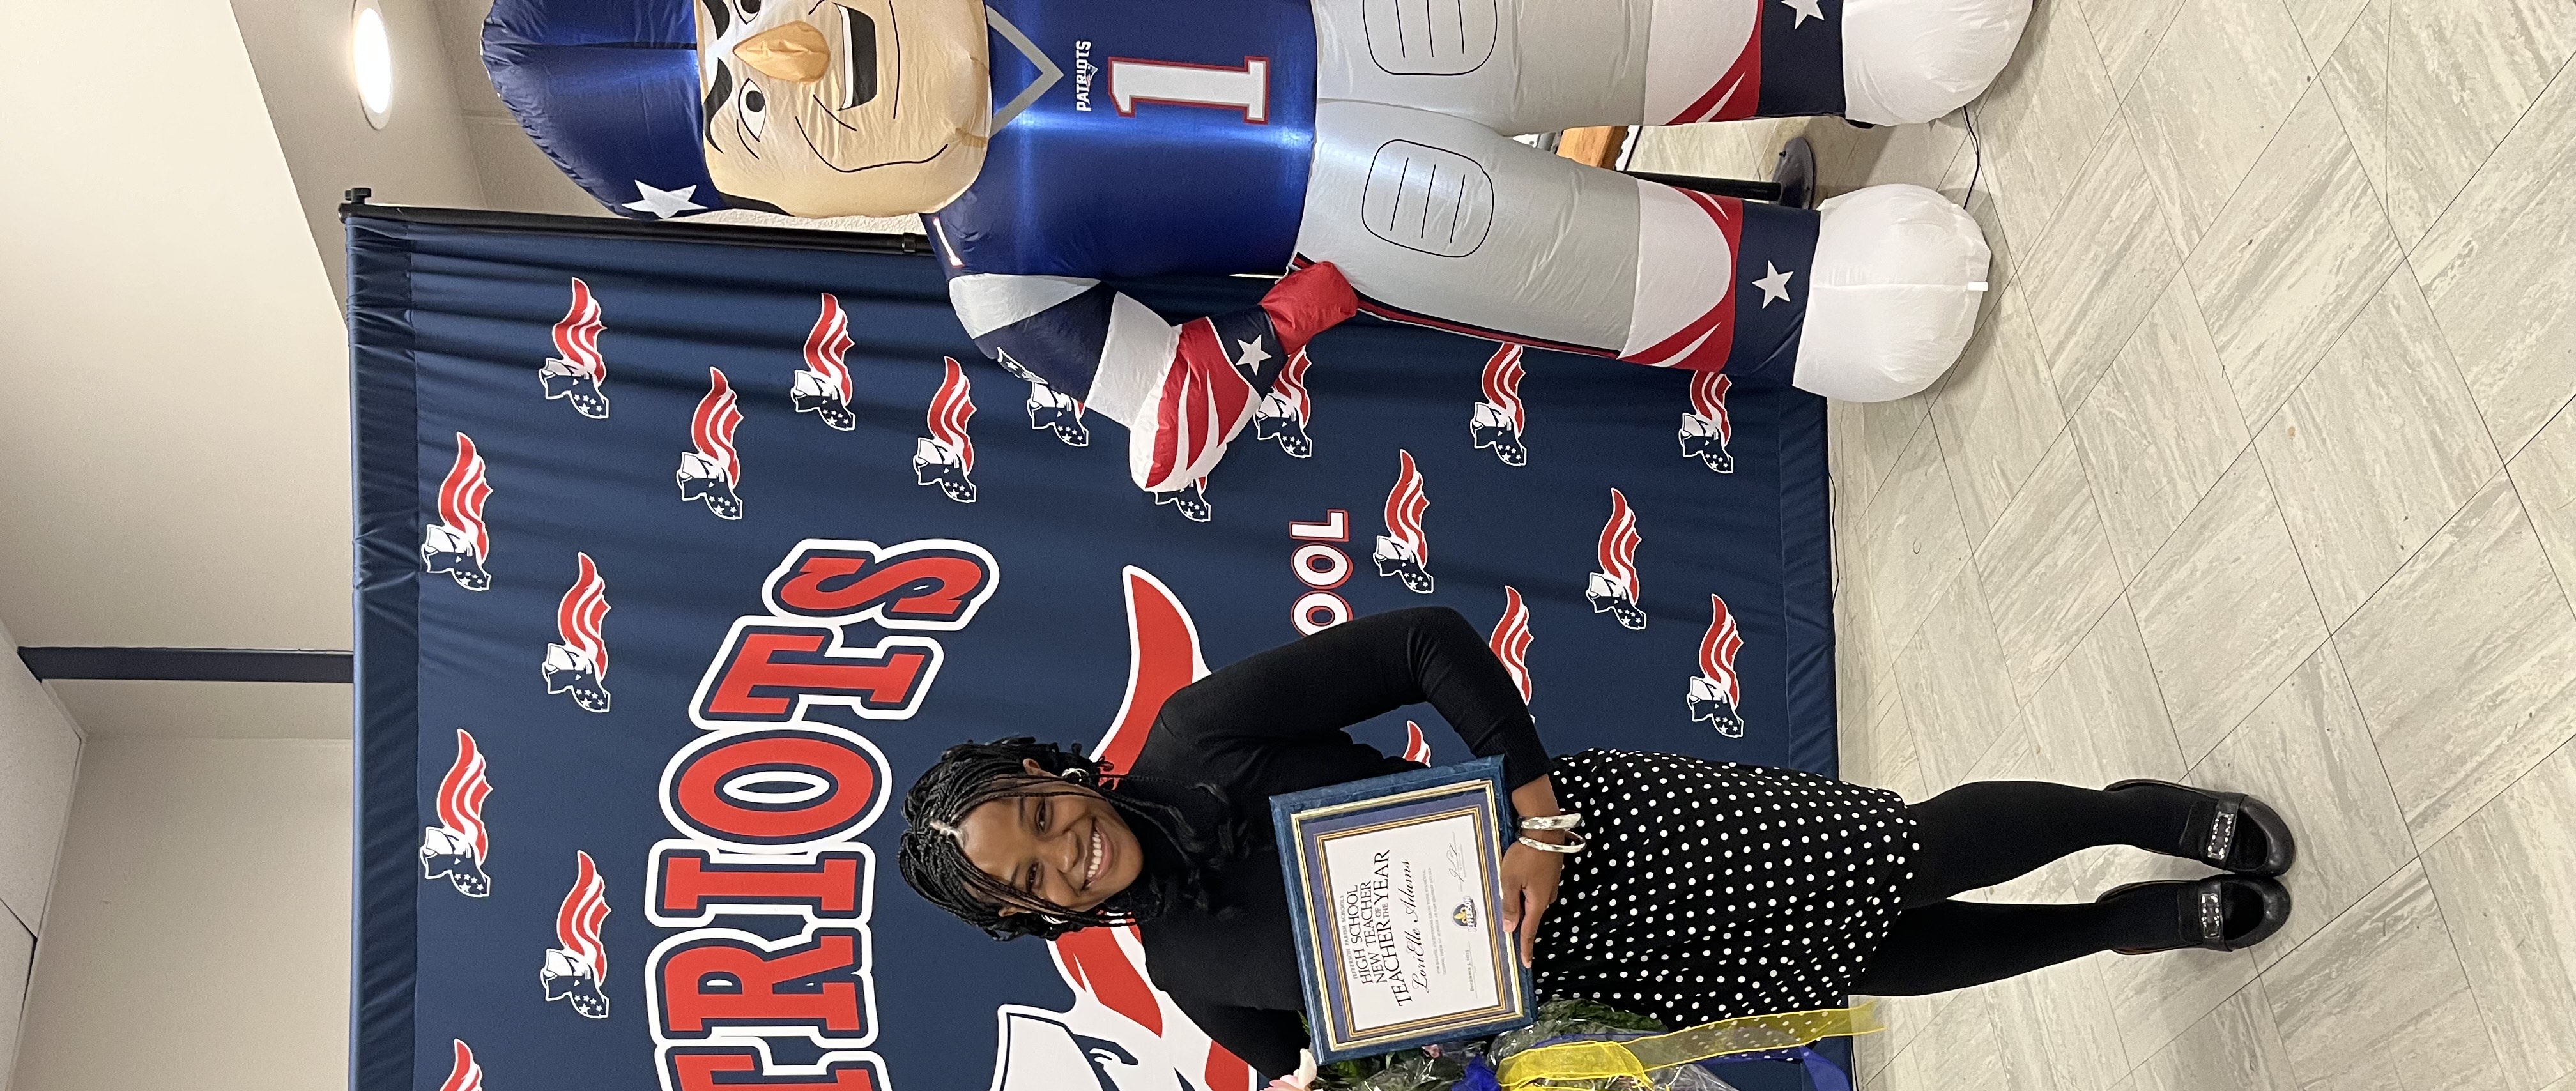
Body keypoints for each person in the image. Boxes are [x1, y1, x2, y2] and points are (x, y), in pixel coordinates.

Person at [482, 0, 2021, 498]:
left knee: (1636, 18)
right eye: (738, 101)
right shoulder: (993, 268)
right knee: (1605, 266)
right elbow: (1173, 426)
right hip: (1355, 214)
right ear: (752, 198)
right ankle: (1803, 298)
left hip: (1371, 16)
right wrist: (1287, 323)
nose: (800, 48)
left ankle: (1849, 32)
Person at [900, 610, 2294, 1091]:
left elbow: (1421, 644)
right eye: (1031, 883)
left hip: (1600, 839)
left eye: (1032, 818)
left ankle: (2130, 809)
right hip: (1599, 989)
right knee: (1863, 961)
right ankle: (2115, 925)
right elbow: (1364, 1084)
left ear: (1046, 772)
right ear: (1043, 921)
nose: (1060, 855)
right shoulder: (1194, 980)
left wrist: (1536, 815)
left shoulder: (1205, 733)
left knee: (1902, 854)